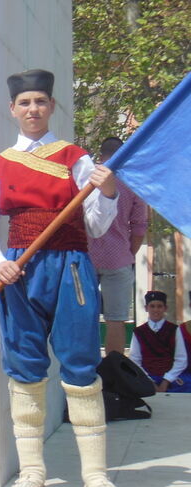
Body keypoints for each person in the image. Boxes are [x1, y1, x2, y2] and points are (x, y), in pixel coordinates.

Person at [0, 69, 124, 487]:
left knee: (79, 364)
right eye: (24, 103)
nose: (32, 109)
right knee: (25, 365)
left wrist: (107, 193)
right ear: (12, 109)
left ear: (51, 106)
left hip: (72, 269)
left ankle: (95, 475)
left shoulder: (77, 159)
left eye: (40, 101)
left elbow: (93, 223)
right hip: (21, 271)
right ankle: (32, 471)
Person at [87, 137, 148, 355]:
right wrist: (127, 254)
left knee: (84, 317)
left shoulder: (87, 176)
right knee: (116, 319)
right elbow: (139, 226)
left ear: (100, 155)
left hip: (87, 256)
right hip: (119, 258)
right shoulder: (133, 182)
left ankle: (86, 373)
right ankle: (113, 376)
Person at [130, 291, 191, 393]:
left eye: (159, 306)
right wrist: (150, 382)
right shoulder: (138, 332)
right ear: (146, 308)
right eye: (152, 306)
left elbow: (181, 359)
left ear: (165, 308)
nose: (156, 310)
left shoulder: (174, 330)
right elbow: (135, 360)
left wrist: (166, 380)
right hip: (147, 377)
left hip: (171, 377)